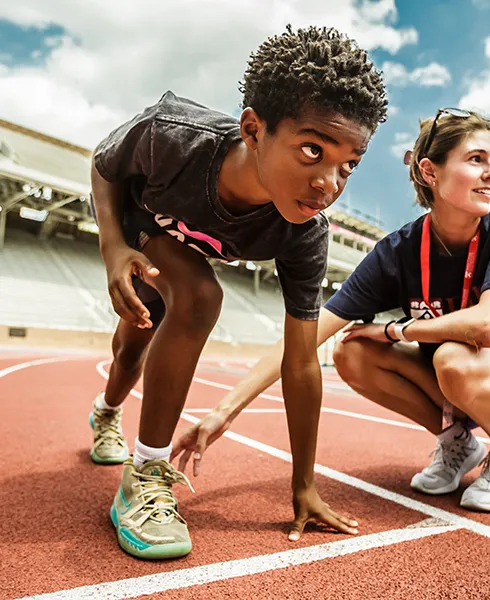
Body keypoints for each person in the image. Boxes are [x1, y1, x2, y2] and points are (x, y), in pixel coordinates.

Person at [173, 108, 490, 515]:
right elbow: (308, 334)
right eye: (476, 159)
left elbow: (488, 327)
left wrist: (395, 331)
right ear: (430, 172)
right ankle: (457, 443)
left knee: (453, 357)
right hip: (453, 384)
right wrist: (223, 411)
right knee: (351, 351)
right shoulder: (400, 251)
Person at [89, 25, 387, 559]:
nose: (329, 183)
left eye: (349, 164)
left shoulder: (303, 232)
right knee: (189, 305)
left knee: (135, 343)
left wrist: (304, 486)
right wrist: (112, 246)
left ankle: (106, 413)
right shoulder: (171, 136)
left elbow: (300, 363)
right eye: (312, 150)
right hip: (140, 222)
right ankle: (144, 471)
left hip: (183, 250)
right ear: (253, 129)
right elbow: (105, 166)